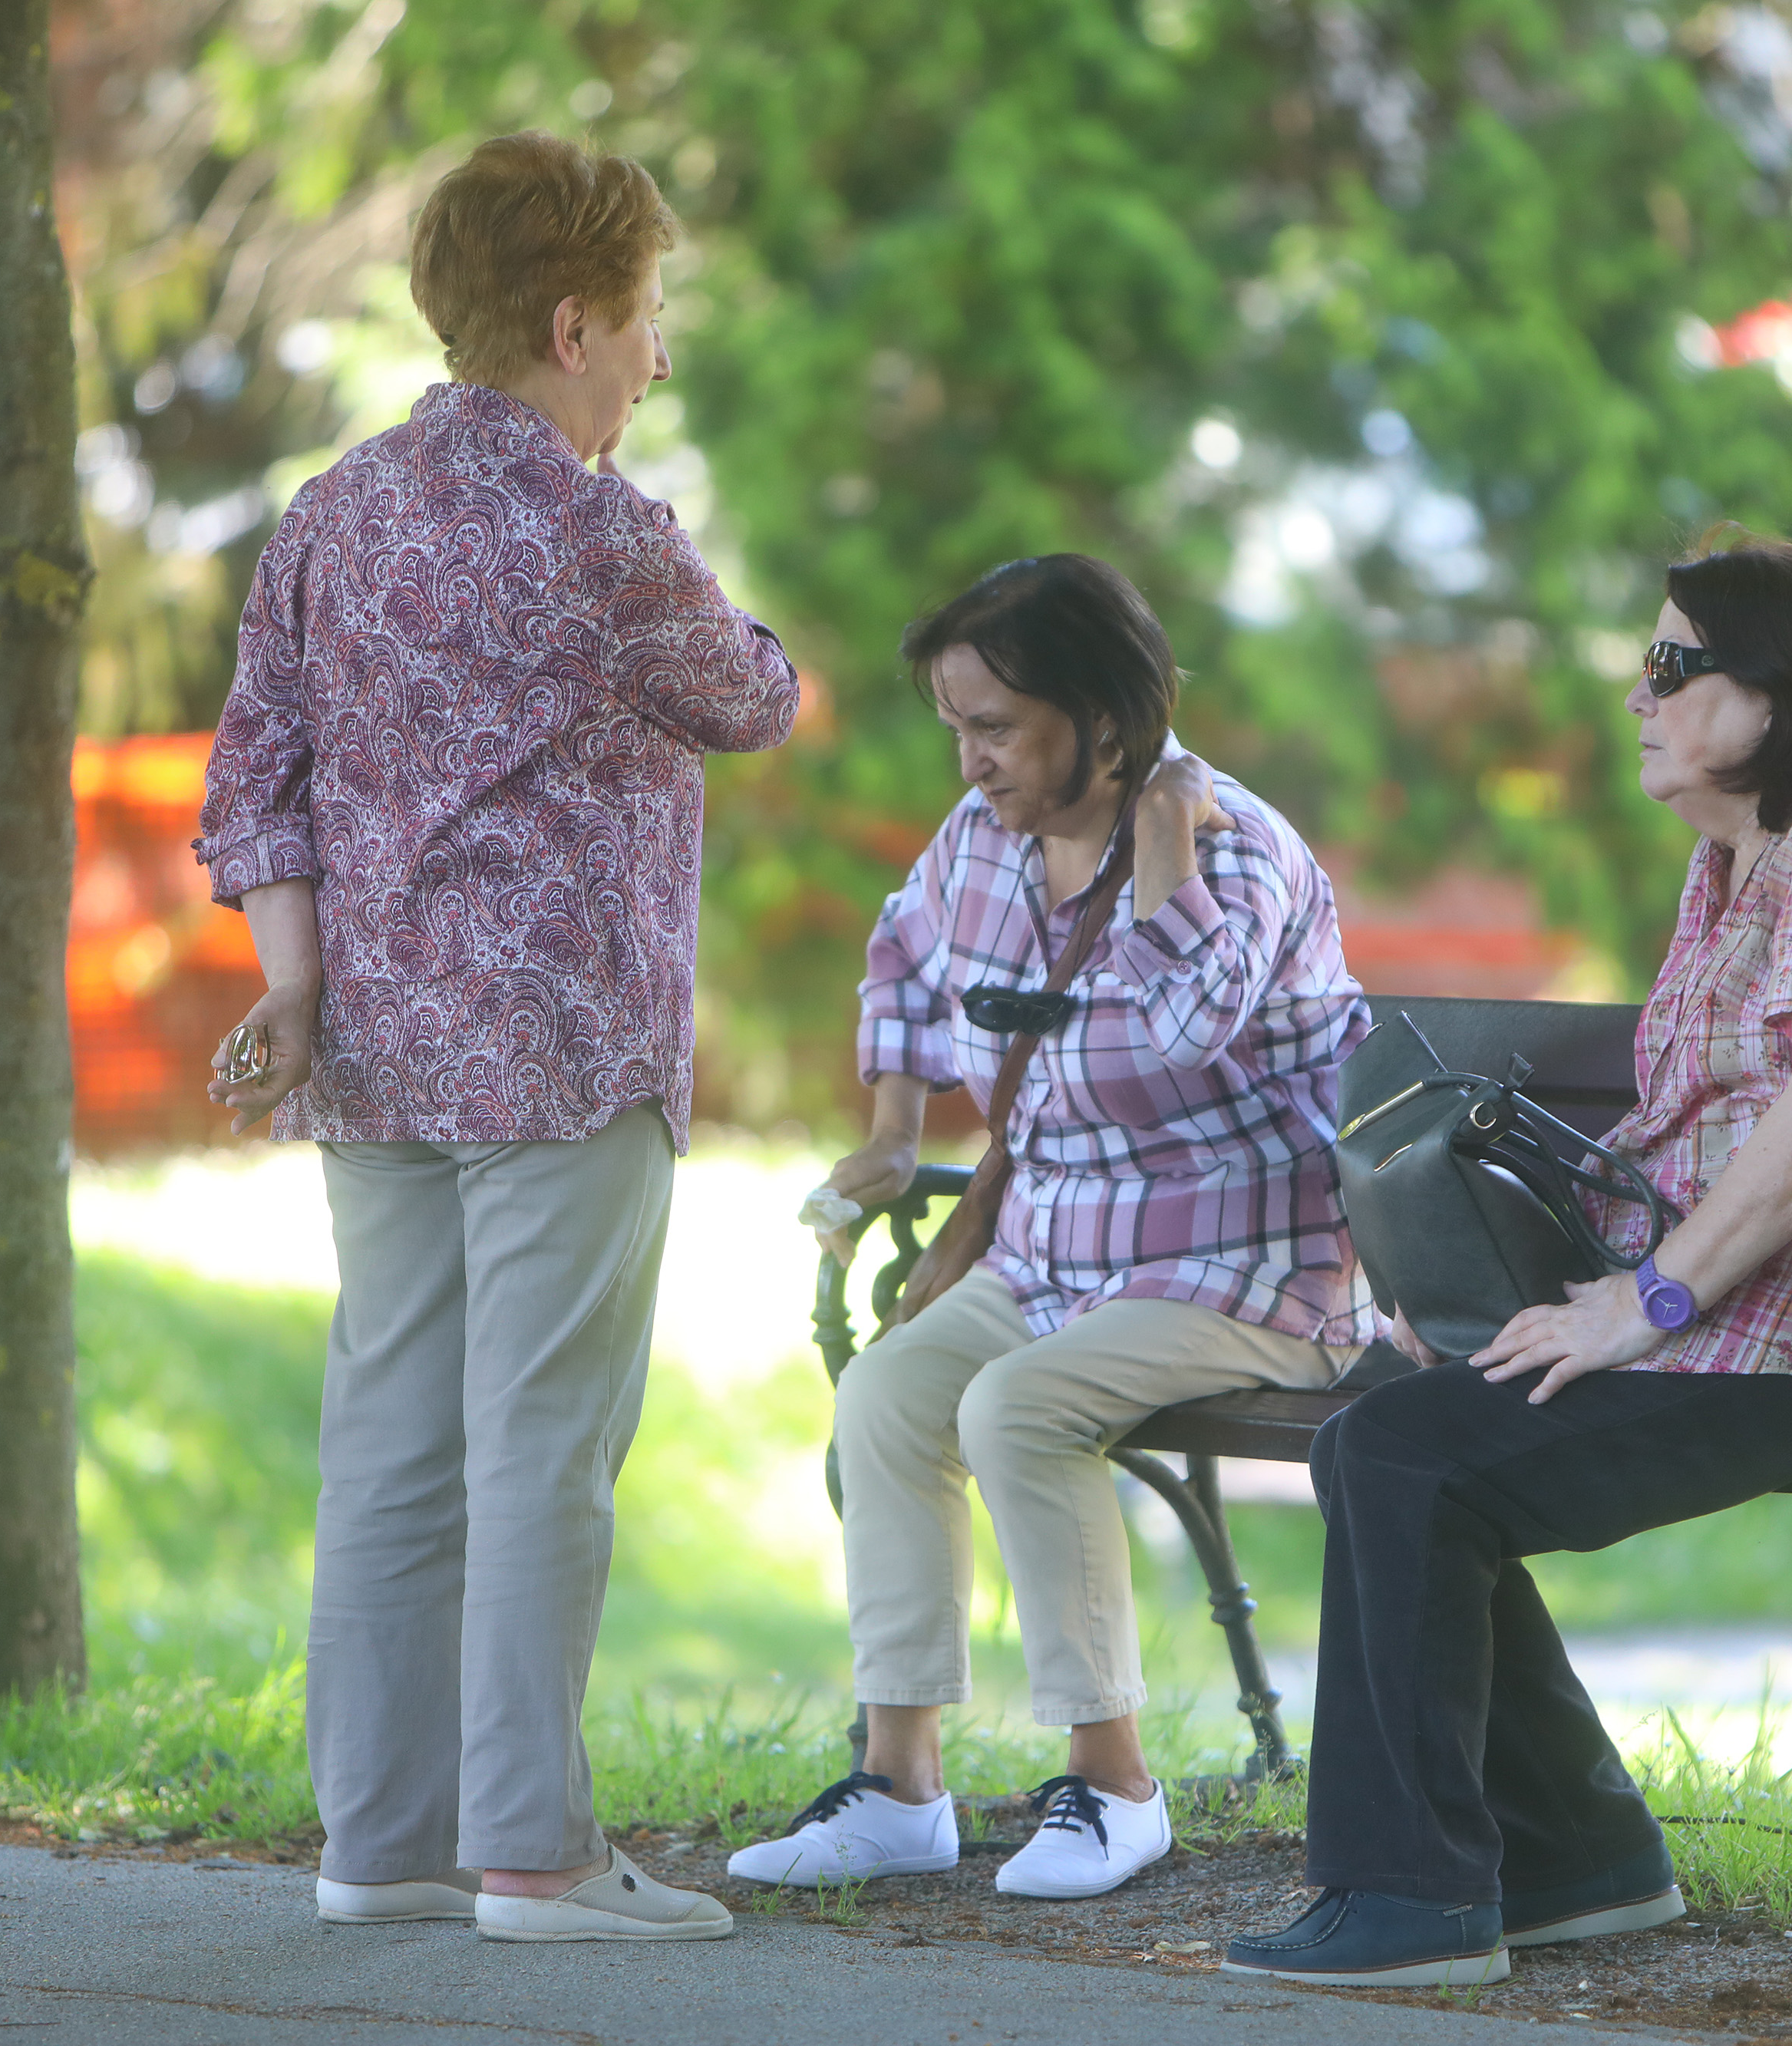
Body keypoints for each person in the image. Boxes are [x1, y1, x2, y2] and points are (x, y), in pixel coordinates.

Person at [1223, 536, 1792, 1987]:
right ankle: (1581, 1861)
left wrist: (1648, 1298)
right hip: (1745, 1318)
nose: (1637, 696)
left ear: (1786, 690)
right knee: (1386, 1428)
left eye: (1672, 665)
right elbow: (1698, 1143)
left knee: (1418, 1458)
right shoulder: (1743, 861)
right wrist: (1521, 1303)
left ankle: (1415, 1899)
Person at [193, 131, 797, 1944]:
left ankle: (377, 1848)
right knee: (537, 1443)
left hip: (371, 1058)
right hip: (564, 1053)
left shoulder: (334, 513)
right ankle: (534, 1853)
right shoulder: (600, 532)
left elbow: (253, 782)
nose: (657, 358)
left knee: (386, 1440)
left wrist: (294, 990)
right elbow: (756, 700)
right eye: (646, 320)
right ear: (568, 323)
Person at [726, 554, 1373, 1901]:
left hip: (1247, 1268)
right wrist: (899, 1130)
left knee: (1017, 1406)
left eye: (997, 728)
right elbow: (906, 951)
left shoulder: (1235, 843)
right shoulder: (982, 841)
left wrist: (1168, 851)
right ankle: (901, 1784)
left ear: (1105, 714)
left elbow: (1197, 1030)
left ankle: (1114, 1784)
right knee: (893, 1396)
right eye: (956, 726)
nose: (969, 760)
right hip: (1057, 1253)